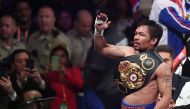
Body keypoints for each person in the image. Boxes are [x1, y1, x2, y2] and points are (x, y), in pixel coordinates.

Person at [93, 13, 172, 109]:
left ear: (153, 40)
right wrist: (98, 31)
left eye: (141, 35)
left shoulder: (162, 67)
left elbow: (166, 98)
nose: (136, 37)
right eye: (136, 34)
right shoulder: (127, 52)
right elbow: (101, 48)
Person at [27, 6, 72, 73]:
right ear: (36, 19)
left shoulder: (59, 40)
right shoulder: (32, 38)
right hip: (33, 77)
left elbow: (57, 67)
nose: (43, 20)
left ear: (53, 19)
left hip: (52, 78)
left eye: (47, 17)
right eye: (41, 17)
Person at [45, 45, 84, 109]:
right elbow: (46, 89)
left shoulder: (74, 71)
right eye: (56, 57)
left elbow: (80, 84)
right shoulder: (50, 73)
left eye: (63, 56)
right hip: (55, 105)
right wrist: (46, 74)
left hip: (71, 104)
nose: (60, 59)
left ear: (67, 58)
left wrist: (65, 72)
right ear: (52, 59)